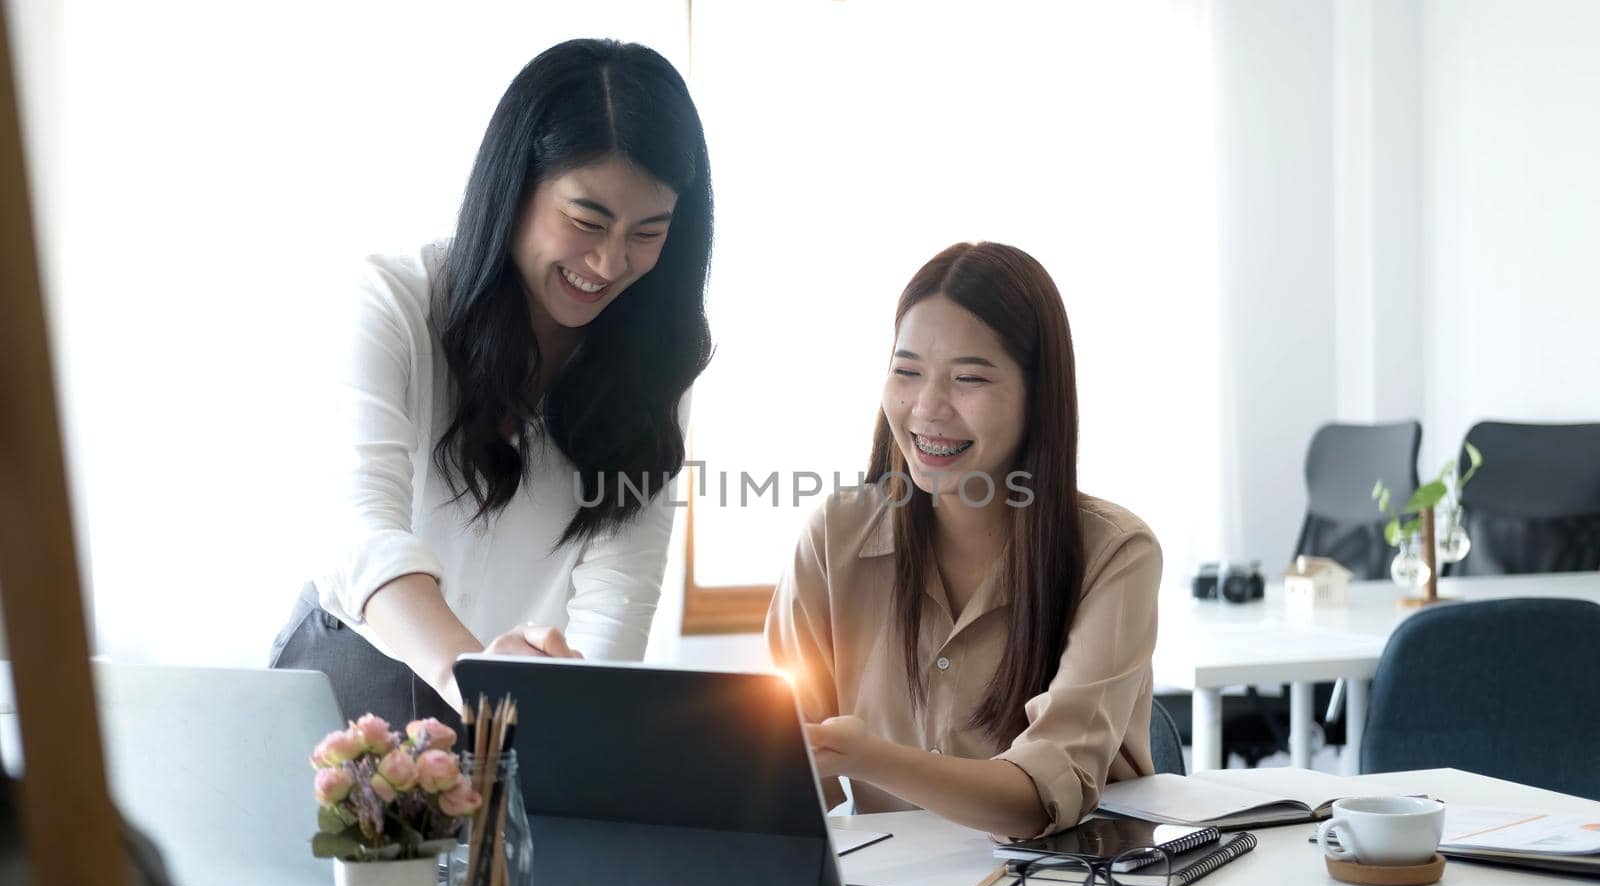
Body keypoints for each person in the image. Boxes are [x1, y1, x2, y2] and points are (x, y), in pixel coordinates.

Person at [272, 39, 713, 730]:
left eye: (648, 232)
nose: (609, 261)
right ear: (515, 186)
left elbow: (617, 596)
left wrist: (581, 731)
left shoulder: (657, 359)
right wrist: (474, 676)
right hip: (351, 675)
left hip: (517, 706)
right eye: (586, 221)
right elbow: (360, 527)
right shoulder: (398, 300)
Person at [766, 242, 1161, 840]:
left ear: (1039, 394)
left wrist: (865, 755)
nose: (927, 408)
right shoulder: (836, 536)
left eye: (969, 378)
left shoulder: (1114, 553)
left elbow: (1040, 799)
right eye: (906, 371)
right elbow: (784, 773)